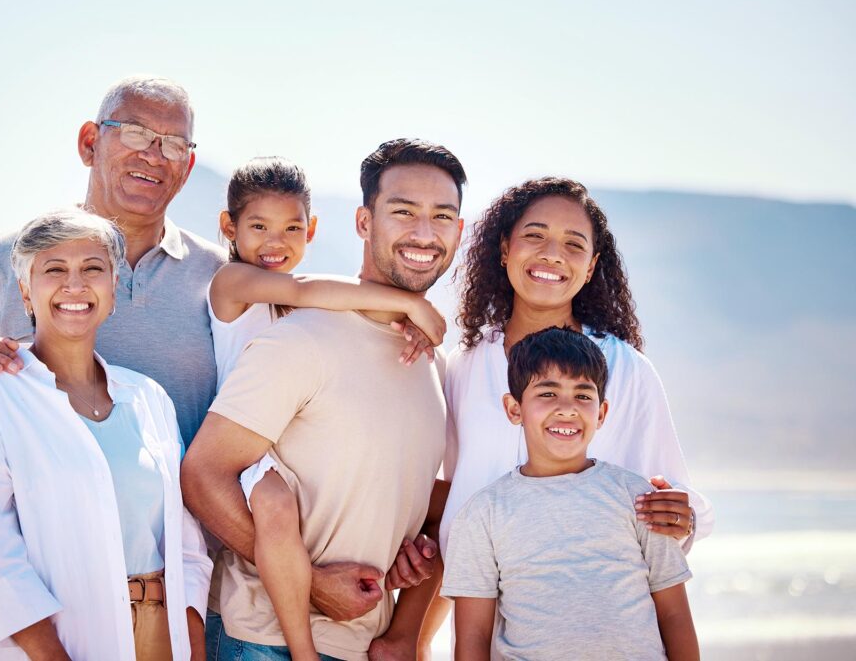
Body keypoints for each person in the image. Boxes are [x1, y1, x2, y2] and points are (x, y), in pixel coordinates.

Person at [182, 139, 466, 661]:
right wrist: (311, 583)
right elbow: (202, 475)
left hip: (365, 645)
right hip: (262, 643)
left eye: (442, 216)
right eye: (403, 212)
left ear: (459, 231)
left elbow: (412, 504)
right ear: (363, 222)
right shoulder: (298, 337)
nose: (424, 232)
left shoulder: (436, 365)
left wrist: (413, 576)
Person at [426, 177, 713, 656]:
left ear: (591, 266)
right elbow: (450, 505)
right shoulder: (464, 364)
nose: (552, 254)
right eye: (534, 235)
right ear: (504, 248)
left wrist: (681, 517)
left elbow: (674, 507)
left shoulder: (626, 370)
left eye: (574, 244)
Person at [0, 211, 212, 661]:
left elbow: (186, 550)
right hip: (52, 645)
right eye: (54, 270)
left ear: (111, 288)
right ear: (26, 291)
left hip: (159, 636)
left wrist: (193, 648)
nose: (75, 285)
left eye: (92, 268)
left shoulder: (148, 399)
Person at [0, 75, 226, 449]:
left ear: (187, 166)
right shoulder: (7, 260)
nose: (153, 154)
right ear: (89, 143)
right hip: (47, 508)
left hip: (173, 509)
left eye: (174, 144)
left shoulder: (222, 278)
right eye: (135, 133)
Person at [442, 327, 699, 661]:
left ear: (601, 413)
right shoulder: (483, 515)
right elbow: (474, 636)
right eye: (547, 394)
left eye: (583, 395)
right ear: (514, 409)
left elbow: (675, 615)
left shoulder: (638, 499)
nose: (567, 408)